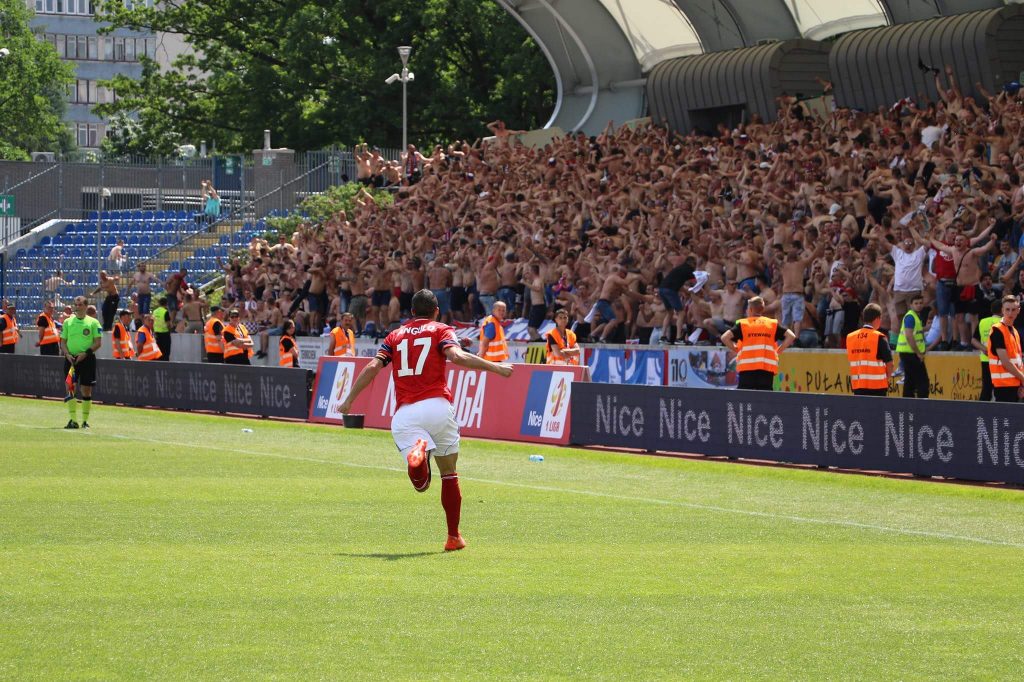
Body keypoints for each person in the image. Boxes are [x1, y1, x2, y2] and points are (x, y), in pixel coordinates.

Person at [338, 290, 514, 552]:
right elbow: (456, 357)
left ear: (411, 312)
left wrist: (349, 399)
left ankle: (419, 454)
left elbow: (374, 367)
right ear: (436, 311)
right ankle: (453, 537)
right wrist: (497, 367)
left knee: (421, 485)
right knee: (449, 473)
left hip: (406, 414)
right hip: (438, 408)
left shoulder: (395, 335)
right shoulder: (441, 330)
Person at [720, 296, 796, 391]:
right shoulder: (771, 324)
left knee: (745, 398)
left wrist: (736, 349)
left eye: (747, 309)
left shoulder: (743, 324)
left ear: (750, 309)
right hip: (766, 370)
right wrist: (778, 351)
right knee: (764, 398)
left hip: (746, 370)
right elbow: (791, 336)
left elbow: (724, 337)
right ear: (762, 309)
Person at [59, 296, 102, 429]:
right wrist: (67, 354)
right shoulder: (67, 322)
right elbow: (63, 342)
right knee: (70, 388)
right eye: (75, 305)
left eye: (80, 305)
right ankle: (73, 420)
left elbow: (98, 343)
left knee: (86, 390)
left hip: (87, 359)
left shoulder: (93, 322)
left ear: (86, 306)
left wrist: (85, 354)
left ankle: (84, 421)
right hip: (71, 360)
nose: (77, 307)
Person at [846, 303, 893, 396]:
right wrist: (886, 378)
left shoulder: (850, 337)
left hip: (858, 386)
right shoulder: (879, 337)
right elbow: (890, 364)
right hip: (878, 387)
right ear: (877, 319)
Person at [987, 295, 1024, 403]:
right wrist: (1022, 378)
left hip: (1016, 385)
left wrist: (1021, 384)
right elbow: (1005, 362)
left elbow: (1018, 361)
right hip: (1003, 386)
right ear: (1002, 310)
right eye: (1007, 309)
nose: (1010, 313)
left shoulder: (1014, 331)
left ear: (1018, 311)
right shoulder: (997, 330)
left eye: (1013, 310)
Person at [895, 294, 929, 398]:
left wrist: (926, 328)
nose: (919, 305)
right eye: (916, 303)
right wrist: (918, 353)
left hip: (908, 352)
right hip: (911, 353)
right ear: (911, 305)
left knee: (910, 381)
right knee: (922, 381)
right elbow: (909, 335)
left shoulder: (915, 317)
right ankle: (922, 402)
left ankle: (907, 402)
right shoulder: (911, 317)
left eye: (921, 303)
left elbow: (915, 332)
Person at [973, 299, 1002, 402]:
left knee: (986, 388)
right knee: (1000, 389)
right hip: (1000, 360)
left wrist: (985, 349)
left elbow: (973, 340)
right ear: (1002, 310)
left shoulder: (983, 322)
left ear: (991, 310)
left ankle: (981, 409)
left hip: (985, 359)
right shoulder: (1004, 323)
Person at [151, 296, 172, 361]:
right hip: (165, 335)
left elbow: (152, 322)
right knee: (165, 353)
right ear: (166, 304)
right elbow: (168, 324)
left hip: (156, 334)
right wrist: (170, 329)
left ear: (159, 303)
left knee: (157, 352)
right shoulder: (165, 312)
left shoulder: (154, 311)